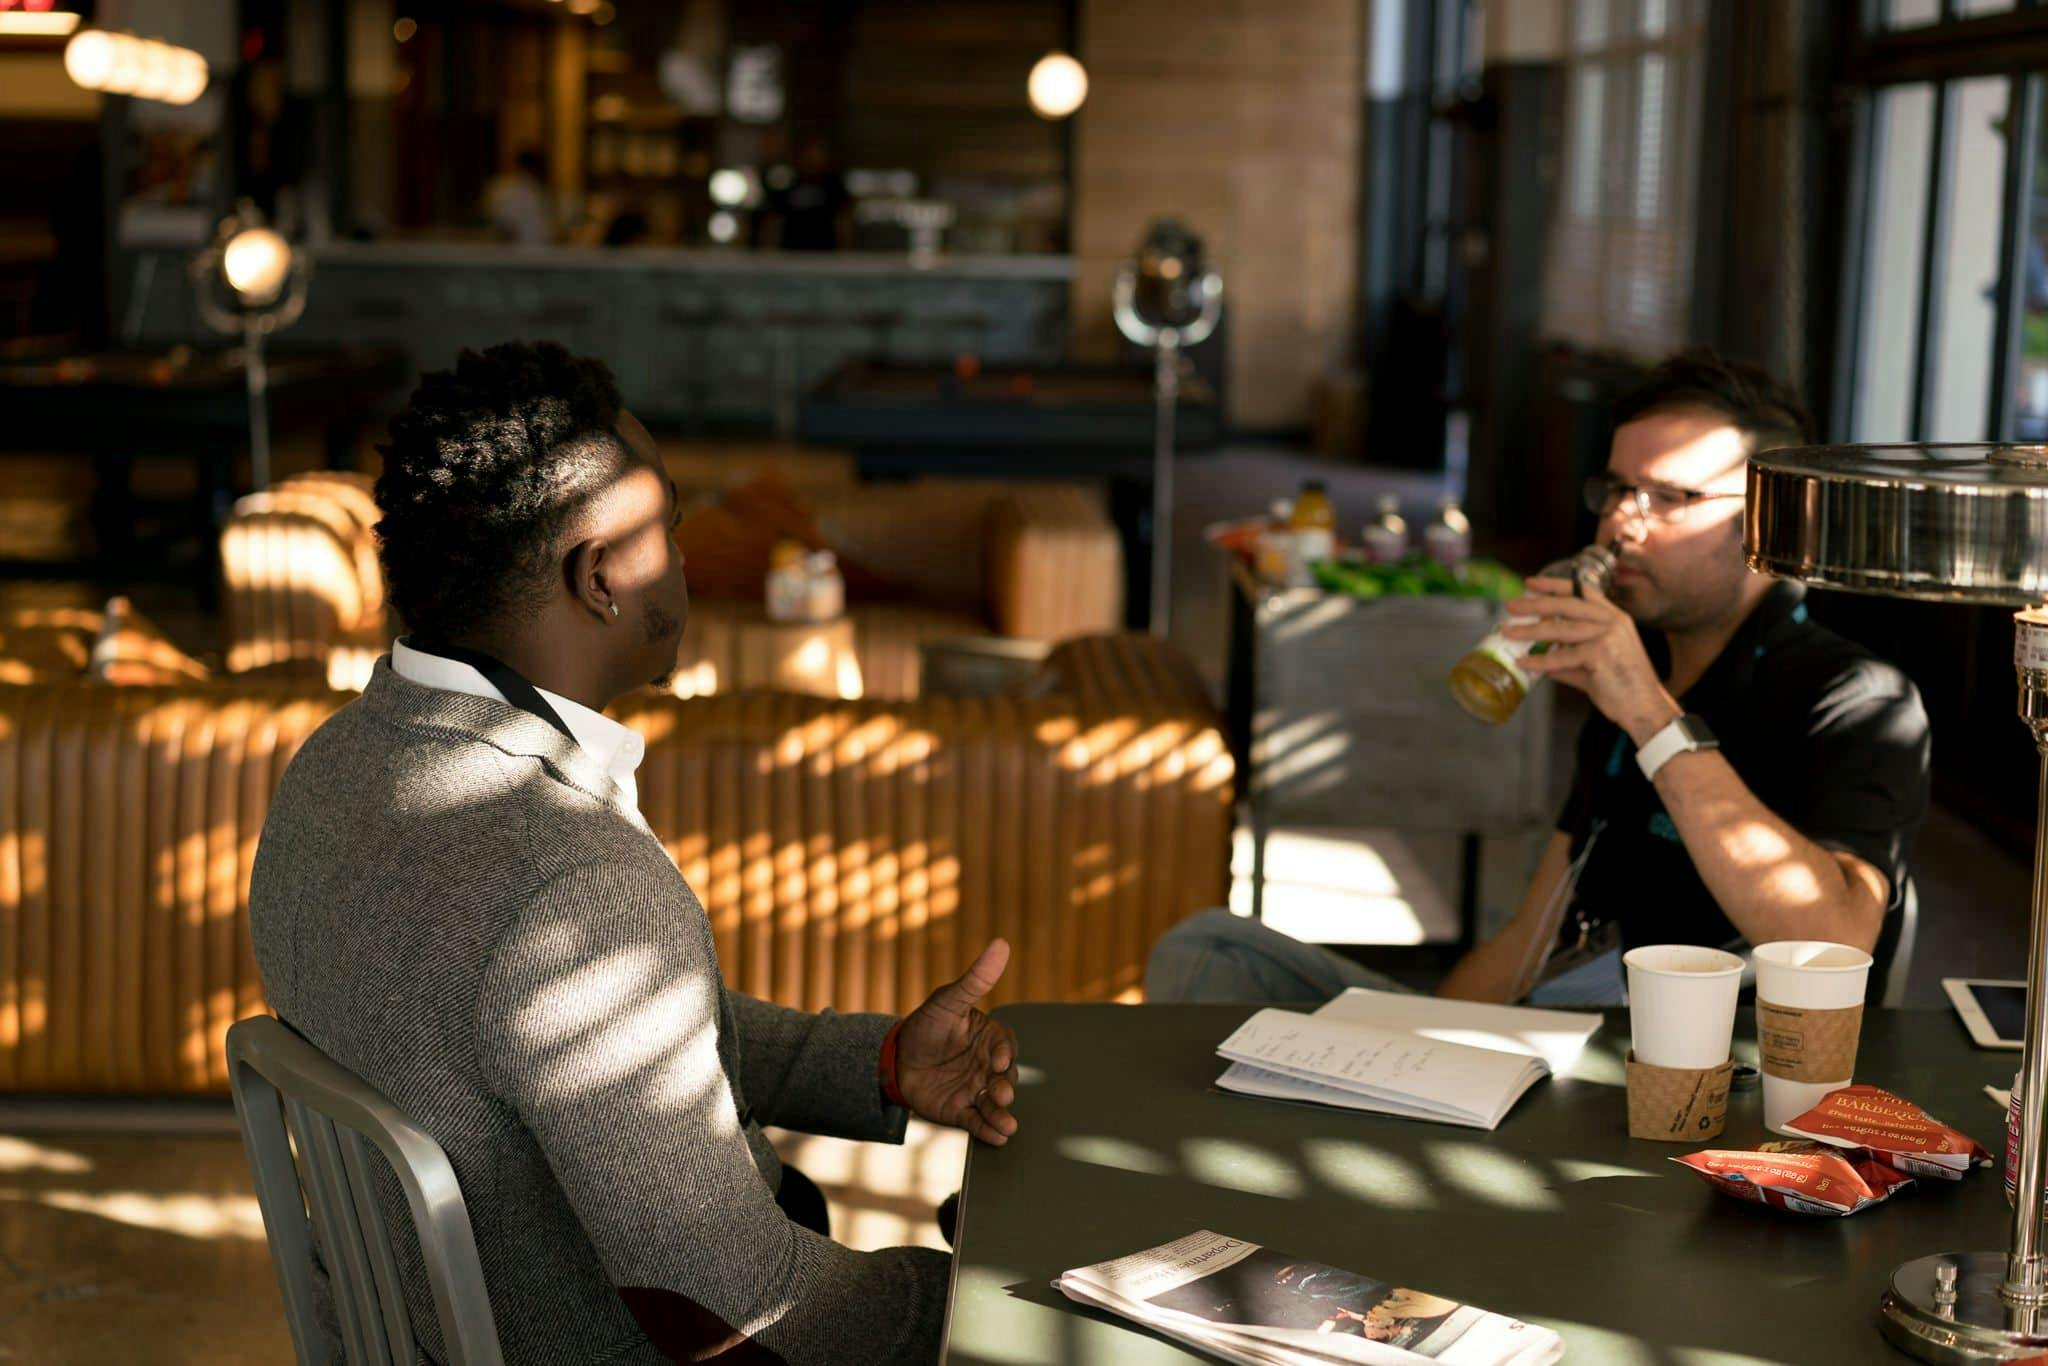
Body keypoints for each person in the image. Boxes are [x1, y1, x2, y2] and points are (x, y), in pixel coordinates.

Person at [249, 342, 1018, 1364]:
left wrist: (876, 1064)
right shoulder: (570, 878)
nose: (686, 561)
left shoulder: (332, 768)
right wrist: (999, 1297)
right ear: (602, 574)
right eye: (672, 526)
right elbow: (739, 1311)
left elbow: (569, 1035)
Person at [1147, 351, 1931, 1007]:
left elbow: (1833, 942)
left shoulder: (1855, 697)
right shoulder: (1641, 668)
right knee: (1209, 951)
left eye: (1669, 498)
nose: (1622, 520)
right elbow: (1531, 938)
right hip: (1554, 1027)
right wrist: (1420, 1049)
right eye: (1617, 489)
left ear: (1766, 520)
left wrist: (1653, 718)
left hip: (1693, 1070)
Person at [485, 148, 554, 245]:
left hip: (532, 248)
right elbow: (504, 228)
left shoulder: (537, 189)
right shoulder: (506, 189)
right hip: (524, 249)